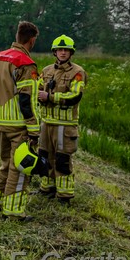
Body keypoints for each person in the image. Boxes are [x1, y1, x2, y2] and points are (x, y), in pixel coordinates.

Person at [0, 21, 40, 221]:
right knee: (20, 168)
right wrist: (34, 130)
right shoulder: (25, 63)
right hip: (18, 125)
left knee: (6, 162)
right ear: (32, 40)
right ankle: (14, 212)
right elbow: (26, 101)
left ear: (17, 36)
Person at [37, 35, 87, 205]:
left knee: (62, 161)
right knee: (44, 157)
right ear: (55, 52)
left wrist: (49, 97)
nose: (63, 52)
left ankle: (64, 196)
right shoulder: (46, 71)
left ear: (71, 52)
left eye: (66, 50)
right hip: (46, 123)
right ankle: (47, 188)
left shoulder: (78, 72)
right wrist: (37, 96)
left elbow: (75, 96)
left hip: (65, 126)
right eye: (60, 49)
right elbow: (37, 89)